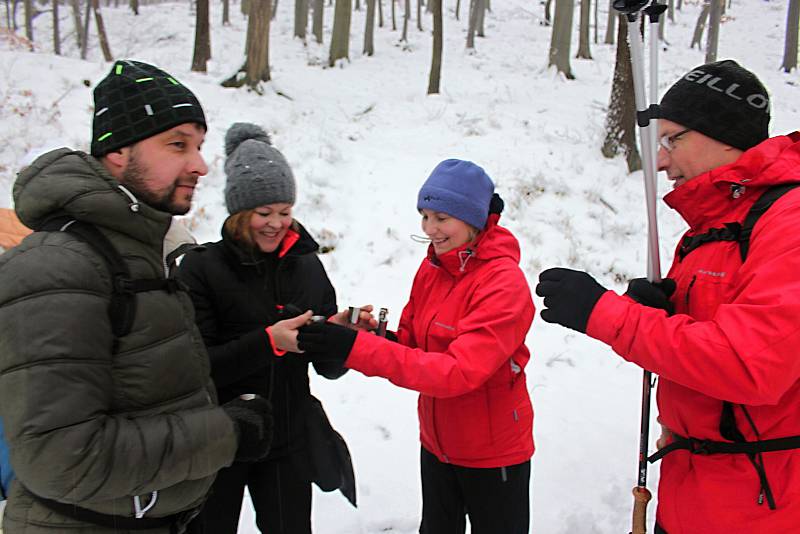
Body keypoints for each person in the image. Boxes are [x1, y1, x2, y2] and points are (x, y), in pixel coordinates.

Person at [0, 60, 273, 534]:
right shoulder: (60, 266)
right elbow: (61, 458)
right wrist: (224, 433)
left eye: (200, 146)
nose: (200, 165)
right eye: (177, 144)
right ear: (119, 150)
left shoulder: (146, 253)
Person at [535, 60, 800, 534]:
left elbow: (749, 364)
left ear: (724, 135)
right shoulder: (711, 229)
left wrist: (606, 314)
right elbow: (704, 341)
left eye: (672, 139)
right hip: (692, 492)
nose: (660, 159)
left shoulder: (789, 222)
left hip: (758, 507)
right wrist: (666, 311)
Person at [289, 159, 536, 534]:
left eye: (441, 217)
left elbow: (458, 372)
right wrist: (367, 336)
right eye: (424, 216)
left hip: (492, 453)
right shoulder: (434, 268)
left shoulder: (504, 283)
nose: (429, 229)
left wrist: (356, 349)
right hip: (438, 444)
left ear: (471, 218)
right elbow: (413, 345)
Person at [177, 123, 352, 534]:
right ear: (239, 213)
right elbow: (195, 368)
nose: (276, 224)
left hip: (287, 442)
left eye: (285, 212)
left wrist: (343, 336)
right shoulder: (202, 269)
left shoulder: (307, 265)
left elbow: (326, 367)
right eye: (264, 213)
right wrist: (268, 342)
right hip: (218, 441)